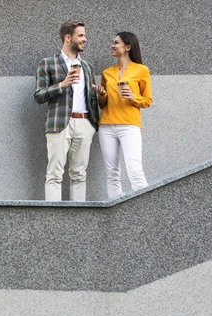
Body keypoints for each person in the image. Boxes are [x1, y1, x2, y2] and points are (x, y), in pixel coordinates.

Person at [34, 20, 100, 201]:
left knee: (79, 174)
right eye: (81, 35)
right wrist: (62, 84)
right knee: (54, 174)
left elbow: (91, 98)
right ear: (68, 37)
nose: (85, 39)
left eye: (84, 35)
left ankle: (78, 220)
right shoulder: (48, 63)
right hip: (59, 123)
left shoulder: (86, 66)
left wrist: (93, 123)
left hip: (85, 123)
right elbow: (39, 95)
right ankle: (53, 219)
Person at [92, 32, 152, 199]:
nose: (112, 45)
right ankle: (116, 209)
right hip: (107, 126)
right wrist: (101, 94)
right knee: (112, 172)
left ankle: (145, 206)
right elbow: (102, 105)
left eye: (116, 42)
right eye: (113, 42)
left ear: (128, 47)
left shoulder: (141, 70)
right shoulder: (107, 73)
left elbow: (147, 101)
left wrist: (133, 97)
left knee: (134, 169)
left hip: (129, 126)